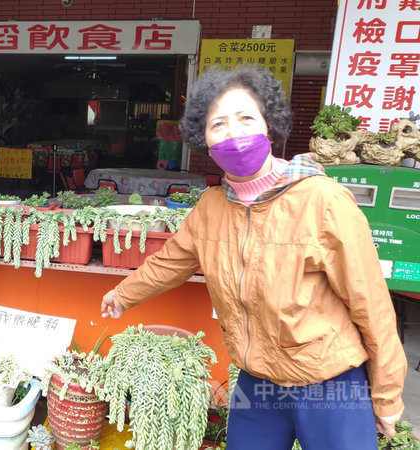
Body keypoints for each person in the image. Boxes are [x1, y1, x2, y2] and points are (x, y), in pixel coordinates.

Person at [100, 66, 406, 449]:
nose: (235, 133)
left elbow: (371, 302)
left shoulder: (322, 200)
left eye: (246, 118)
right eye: (219, 124)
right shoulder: (211, 206)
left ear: (268, 125)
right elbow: (171, 261)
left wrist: (387, 393)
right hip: (257, 379)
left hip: (328, 381)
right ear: (203, 137)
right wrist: (124, 294)